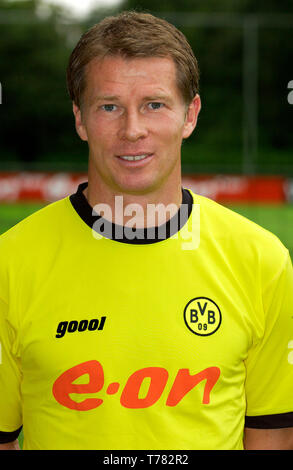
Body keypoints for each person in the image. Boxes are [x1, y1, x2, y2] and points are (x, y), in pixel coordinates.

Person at [0, 10, 293, 451]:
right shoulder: (11, 262)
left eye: (154, 105)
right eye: (109, 107)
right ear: (80, 119)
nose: (132, 130)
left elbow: (273, 436)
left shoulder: (261, 260)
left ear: (189, 115)